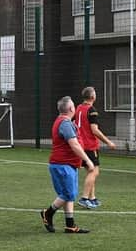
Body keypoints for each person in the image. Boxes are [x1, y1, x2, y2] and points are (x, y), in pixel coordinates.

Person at [40, 96, 95, 234]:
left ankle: (70, 225)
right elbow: (74, 144)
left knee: (69, 195)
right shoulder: (64, 123)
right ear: (71, 109)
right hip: (62, 164)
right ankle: (48, 213)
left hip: (66, 164)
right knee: (68, 194)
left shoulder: (64, 121)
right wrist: (87, 160)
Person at [74, 86, 116, 209]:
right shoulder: (91, 110)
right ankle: (84, 198)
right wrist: (108, 142)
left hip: (81, 144)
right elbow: (95, 130)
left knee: (90, 171)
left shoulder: (79, 108)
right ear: (93, 97)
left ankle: (92, 198)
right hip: (89, 146)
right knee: (94, 172)